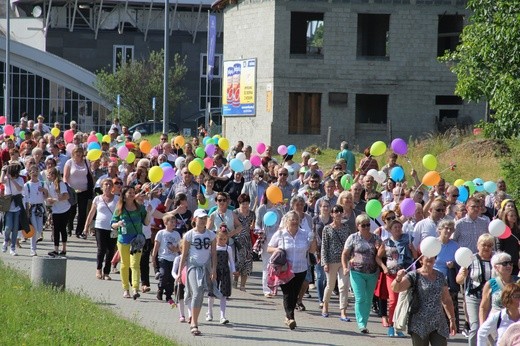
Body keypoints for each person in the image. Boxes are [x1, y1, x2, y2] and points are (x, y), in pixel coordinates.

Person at [267, 210, 317, 330]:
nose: (294, 222)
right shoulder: (280, 234)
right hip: (285, 269)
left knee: (295, 294)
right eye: (292, 220)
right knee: (288, 293)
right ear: (286, 221)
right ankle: (290, 318)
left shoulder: (305, 233)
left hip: (301, 269)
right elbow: (269, 248)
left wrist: (313, 239)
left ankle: (288, 316)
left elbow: (311, 251)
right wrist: (277, 250)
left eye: (296, 219)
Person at [391, 255, 457, 345]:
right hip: (418, 323)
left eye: (432, 257)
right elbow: (396, 288)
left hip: (438, 323)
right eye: (427, 256)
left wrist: (452, 320)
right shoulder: (414, 275)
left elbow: (446, 300)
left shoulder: (440, 276)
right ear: (421, 260)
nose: (430, 258)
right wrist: (398, 278)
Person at [178, 209, 219, 336]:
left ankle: (194, 318)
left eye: (204, 218)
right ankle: (194, 323)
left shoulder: (211, 235)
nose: (202, 220)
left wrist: (213, 269)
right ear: (194, 219)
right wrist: (179, 273)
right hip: (193, 267)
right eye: (200, 218)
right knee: (196, 291)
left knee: (201, 293)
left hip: (205, 267)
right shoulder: (189, 235)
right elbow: (184, 255)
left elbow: (213, 254)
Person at [342, 214, 385, 334]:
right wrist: (345, 267)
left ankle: (364, 322)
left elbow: (382, 254)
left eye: (368, 225)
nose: (366, 227)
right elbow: (345, 254)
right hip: (357, 272)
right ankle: (361, 324)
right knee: (360, 298)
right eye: (363, 225)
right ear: (357, 226)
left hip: (372, 273)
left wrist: (380, 248)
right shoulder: (353, 238)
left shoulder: (376, 238)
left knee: (368, 299)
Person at [111, 186, 152, 299]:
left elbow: (146, 223)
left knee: (135, 265)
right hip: (123, 240)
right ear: (124, 195)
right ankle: (125, 289)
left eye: (133, 192)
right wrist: (118, 224)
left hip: (137, 241)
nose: (132, 194)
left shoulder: (140, 208)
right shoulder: (119, 208)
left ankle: (135, 289)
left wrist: (148, 212)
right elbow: (112, 224)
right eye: (129, 193)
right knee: (125, 264)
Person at [379, 218, 417, 337]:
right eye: (395, 227)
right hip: (392, 274)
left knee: (403, 301)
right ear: (390, 229)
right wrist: (384, 268)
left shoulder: (407, 240)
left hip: (405, 274)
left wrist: (412, 249)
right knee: (393, 300)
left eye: (399, 227)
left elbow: (415, 257)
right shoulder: (386, 242)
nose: (398, 229)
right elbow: (378, 257)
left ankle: (399, 326)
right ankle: (391, 325)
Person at [456, 233, 495, 346]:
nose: (487, 248)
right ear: (478, 245)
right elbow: (458, 280)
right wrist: (463, 275)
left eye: (489, 245)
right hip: (473, 297)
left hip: (491, 298)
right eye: (484, 245)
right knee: (476, 326)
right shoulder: (470, 259)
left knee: (490, 326)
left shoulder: (497, 260)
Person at [84, 178, 119, 280]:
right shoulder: (97, 199)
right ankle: (99, 269)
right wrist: (86, 227)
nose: (107, 186)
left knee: (110, 250)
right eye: (106, 184)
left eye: (109, 184)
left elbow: (120, 212)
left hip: (113, 227)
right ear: (102, 187)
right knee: (101, 249)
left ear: (112, 187)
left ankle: (106, 272)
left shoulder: (117, 199)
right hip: (100, 226)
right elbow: (91, 213)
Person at [321, 205, 351, 321]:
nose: (338, 213)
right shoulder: (327, 229)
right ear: (332, 214)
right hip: (331, 260)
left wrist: (351, 258)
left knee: (344, 286)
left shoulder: (346, 228)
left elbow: (350, 244)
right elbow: (324, 246)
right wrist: (325, 263)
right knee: (330, 285)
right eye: (335, 211)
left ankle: (343, 311)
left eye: (340, 211)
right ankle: (325, 305)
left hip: (344, 261)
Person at [433, 218, 461, 332]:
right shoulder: (433, 243)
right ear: (439, 230)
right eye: (446, 228)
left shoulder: (455, 245)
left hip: (448, 279)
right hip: (434, 278)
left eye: (451, 229)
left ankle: (450, 327)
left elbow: (459, 263)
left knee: (449, 303)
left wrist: (453, 265)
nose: (449, 231)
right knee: (435, 305)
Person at [479, 252, 519, 325]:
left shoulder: (518, 282)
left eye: (510, 263)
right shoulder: (490, 284)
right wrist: (482, 326)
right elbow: (484, 308)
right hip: (496, 323)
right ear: (495, 267)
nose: (509, 266)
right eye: (505, 264)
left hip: (515, 322)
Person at [206, 229, 236, 324]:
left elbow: (231, 261)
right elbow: (208, 260)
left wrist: (233, 270)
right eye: (220, 239)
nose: (222, 241)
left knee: (223, 294)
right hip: (214, 272)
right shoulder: (212, 248)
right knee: (212, 293)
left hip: (225, 272)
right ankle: (209, 313)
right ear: (216, 238)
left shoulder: (228, 248)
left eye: (224, 239)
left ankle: (222, 316)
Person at [64, 146, 93, 239]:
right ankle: (69, 226)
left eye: (80, 152)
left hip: (83, 190)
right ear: (73, 153)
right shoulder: (69, 162)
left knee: (82, 212)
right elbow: (66, 176)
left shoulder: (86, 162)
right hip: (72, 190)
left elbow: (90, 174)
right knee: (72, 211)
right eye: (77, 152)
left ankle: (79, 231)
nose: (79, 154)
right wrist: (66, 187)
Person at [152, 214, 181, 305]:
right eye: (171, 222)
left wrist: (175, 249)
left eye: (174, 222)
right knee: (164, 275)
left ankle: (168, 294)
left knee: (171, 278)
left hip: (173, 258)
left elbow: (179, 247)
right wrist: (153, 256)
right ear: (165, 223)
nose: (173, 223)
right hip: (163, 258)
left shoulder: (176, 234)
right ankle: (160, 289)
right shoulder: (161, 233)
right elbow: (156, 245)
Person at [45, 167, 71, 256]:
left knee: (62, 229)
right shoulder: (49, 184)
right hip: (55, 210)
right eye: (48, 174)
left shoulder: (61, 184)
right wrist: (49, 199)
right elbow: (48, 195)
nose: (49, 176)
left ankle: (64, 248)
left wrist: (55, 199)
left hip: (64, 209)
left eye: (51, 174)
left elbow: (66, 196)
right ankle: (56, 249)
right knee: (56, 229)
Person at [232, 193, 255, 291]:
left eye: (247, 203)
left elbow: (252, 226)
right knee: (238, 262)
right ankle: (235, 281)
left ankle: (243, 285)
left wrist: (252, 227)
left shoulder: (252, 213)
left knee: (247, 262)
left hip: (247, 241)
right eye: (243, 203)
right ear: (239, 203)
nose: (245, 205)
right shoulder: (235, 213)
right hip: (237, 240)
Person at [24, 166, 48, 256]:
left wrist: (44, 190)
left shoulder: (42, 183)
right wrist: (26, 211)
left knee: (39, 229)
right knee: (33, 228)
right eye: (32, 172)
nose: (35, 173)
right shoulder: (27, 185)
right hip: (32, 208)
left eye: (36, 171)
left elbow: (46, 196)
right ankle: (33, 249)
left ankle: (34, 245)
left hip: (40, 208)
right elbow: (26, 199)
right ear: (29, 174)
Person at [1, 164, 24, 256]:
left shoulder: (20, 179)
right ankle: (6, 240)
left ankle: (13, 247)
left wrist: (12, 180)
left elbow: (19, 188)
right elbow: (1, 181)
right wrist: (3, 171)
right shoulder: (7, 179)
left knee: (15, 228)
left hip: (17, 205)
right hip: (8, 205)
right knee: (8, 227)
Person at [497, 208, 520, 275]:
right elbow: (499, 245)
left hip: (515, 259)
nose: (514, 217)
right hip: (505, 260)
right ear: (506, 217)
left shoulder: (517, 230)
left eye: (515, 215)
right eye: (511, 216)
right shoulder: (502, 230)